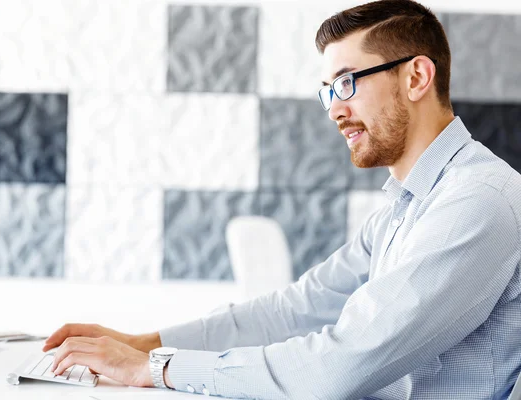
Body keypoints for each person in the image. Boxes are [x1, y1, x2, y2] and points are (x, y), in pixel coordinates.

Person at [43, 0, 521, 398]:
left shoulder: (477, 203)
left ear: (417, 78)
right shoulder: (407, 205)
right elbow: (295, 309)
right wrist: (145, 344)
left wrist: (155, 368)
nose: (335, 108)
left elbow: (339, 366)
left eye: (347, 82)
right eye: (328, 91)